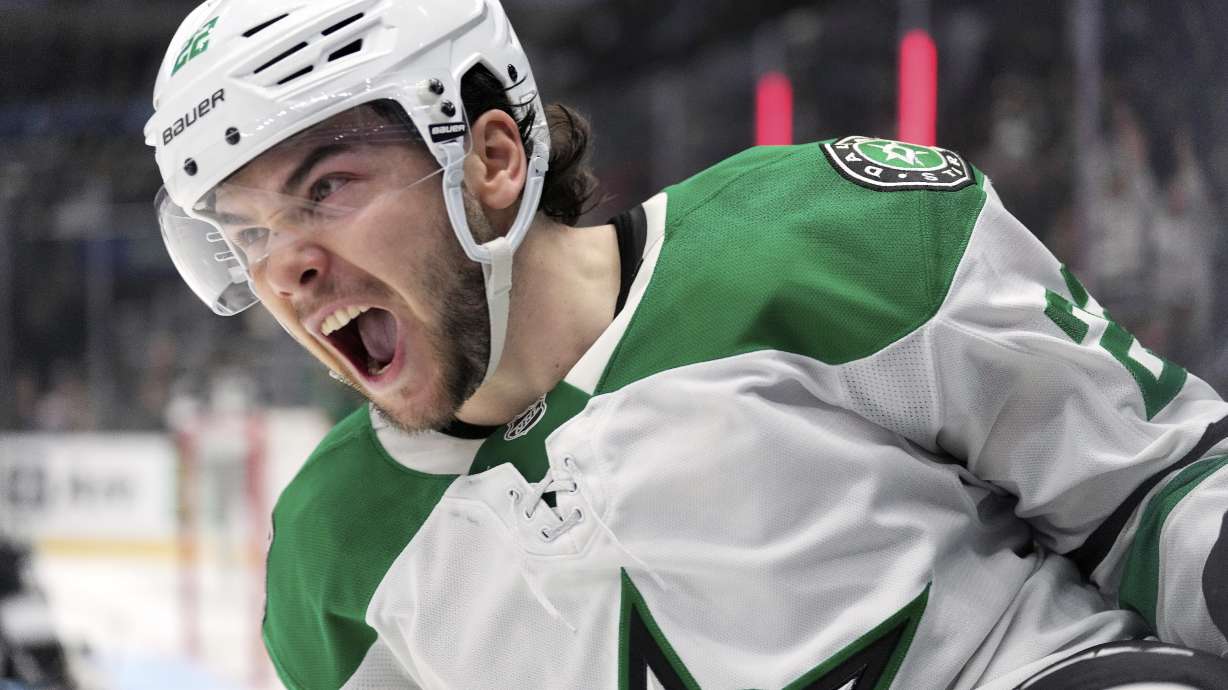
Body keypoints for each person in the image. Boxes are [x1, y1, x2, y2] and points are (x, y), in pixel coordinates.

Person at [145, 1, 1228, 688]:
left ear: (490, 160)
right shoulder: (333, 560)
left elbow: (1158, 496)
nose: (282, 266)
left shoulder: (827, 239)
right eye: (244, 233)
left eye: (324, 190)